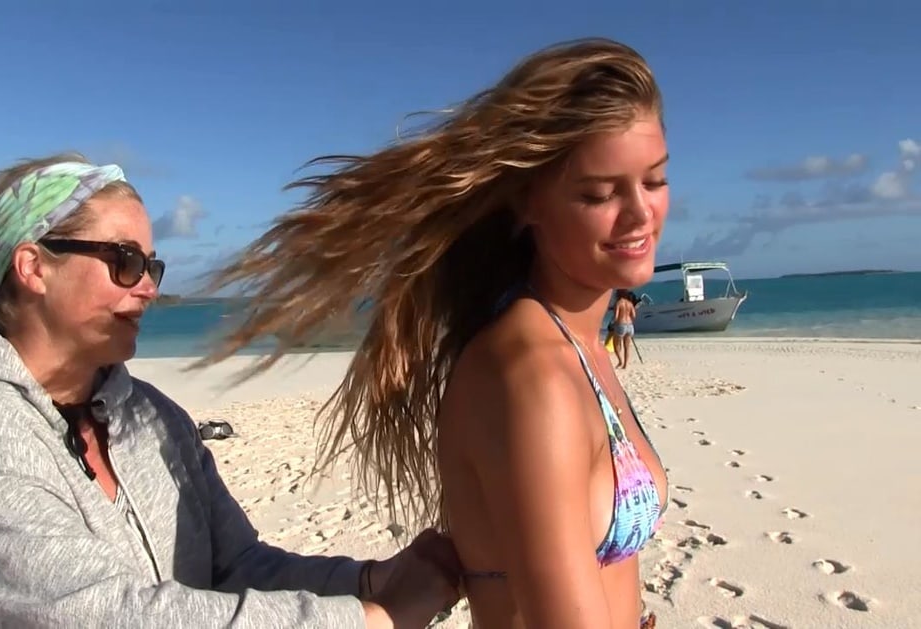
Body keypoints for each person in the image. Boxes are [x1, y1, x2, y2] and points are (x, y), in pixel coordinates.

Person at [193, 38, 670, 628]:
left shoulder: (580, 345)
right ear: (527, 203)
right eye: (600, 193)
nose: (641, 213)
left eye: (654, 181)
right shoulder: (531, 373)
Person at [0, 153, 461, 628]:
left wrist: (369, 580)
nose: (148, 289)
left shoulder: (155, 418)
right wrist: (374, 619)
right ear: (33, 267)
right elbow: (109, 618)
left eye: (150, 267)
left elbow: (235, 568)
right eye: (125, 260)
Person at [612, 288, 639, 369]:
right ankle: (625, 365)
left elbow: (616, 317)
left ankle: (620, 361)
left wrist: (613, 324)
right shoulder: (630, 304)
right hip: (630, 325)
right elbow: (634, 316)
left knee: (616, 344)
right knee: (626, 347)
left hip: (621, 325)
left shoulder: (618, 303)